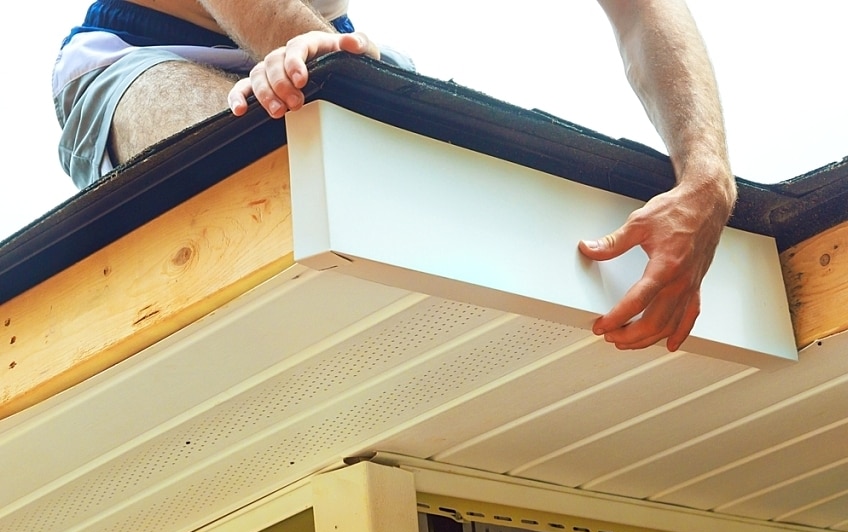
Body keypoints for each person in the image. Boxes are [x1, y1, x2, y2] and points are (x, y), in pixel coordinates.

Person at [53, 0, 736, 353]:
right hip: (143, 51)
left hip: (333, 44)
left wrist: (707, 174)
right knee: (279, 177)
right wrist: (342, 72)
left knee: (439, 210)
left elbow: (644, 9)